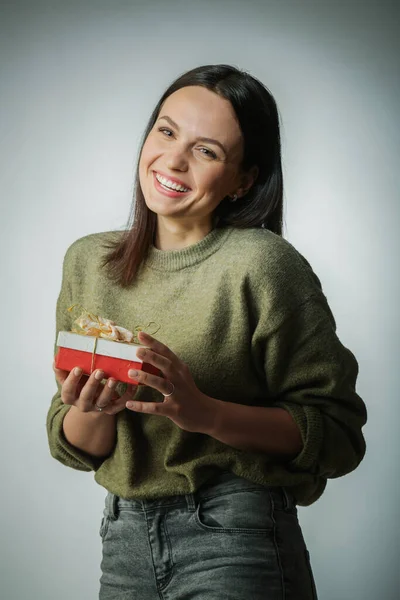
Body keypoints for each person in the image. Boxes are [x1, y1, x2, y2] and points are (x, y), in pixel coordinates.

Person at [47, 64, 367, 600]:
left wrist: (205, 412)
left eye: (207, 150)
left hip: (236, 533)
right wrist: (91, 408)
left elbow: (337, 434)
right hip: (123, 539)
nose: (172, 160)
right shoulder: (88, 262)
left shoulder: (264, 265)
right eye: (167, 131)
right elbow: (77, 447)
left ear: (243, 180)